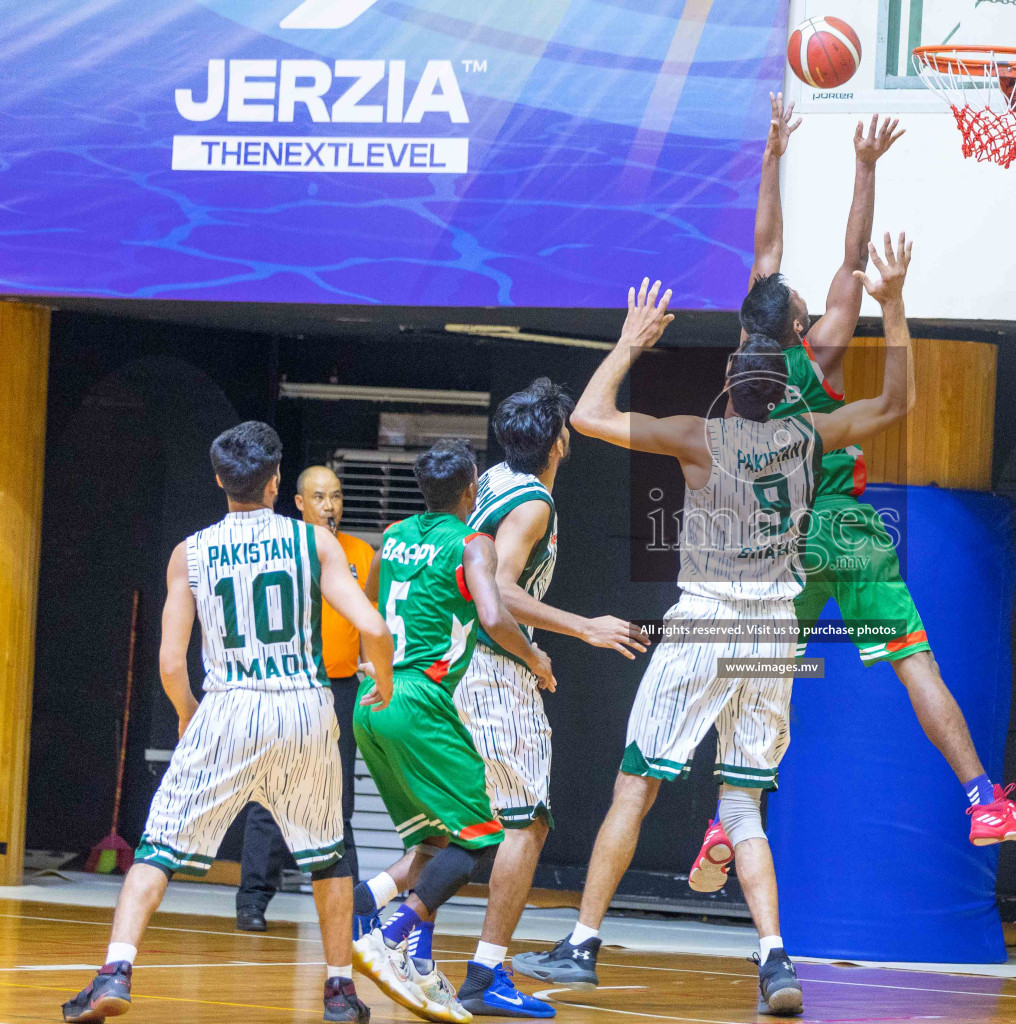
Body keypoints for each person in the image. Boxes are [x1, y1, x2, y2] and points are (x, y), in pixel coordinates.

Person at [513, 238, 915, 1017]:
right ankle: (774, 960)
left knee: (636, 784)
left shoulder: (700, 439)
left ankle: (583, 943)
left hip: (707, 623)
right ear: (784, 394)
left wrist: (629, 343)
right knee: (742, 806)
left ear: (729, 389)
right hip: (772, 635)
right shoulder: (807, 438)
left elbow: (591, 415)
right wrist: (892, 309)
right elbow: (895, 406)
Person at [687, 96, 1016, 891]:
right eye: (799, 303)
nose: (806, 298)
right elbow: (853, 258)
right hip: (843, 532)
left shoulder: (741, 366)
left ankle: (723, 819)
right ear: (797, 322)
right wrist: (864, 167)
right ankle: (982, 800)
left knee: (760, 687)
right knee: (915, 665)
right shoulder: (818, 355)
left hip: (773, 544)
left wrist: (771, 155)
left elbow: (764, 252)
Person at [62, 422, 393, 1024]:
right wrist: (386, 686)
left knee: (157, 848)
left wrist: (190, 714)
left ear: (219, 480)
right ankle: (340, 991)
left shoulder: (190, 552)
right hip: (303, 707)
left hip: (230, 705)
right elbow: (372, 629)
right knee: (329, 856)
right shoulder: (315, 545)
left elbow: (169, 662)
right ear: (274, 484)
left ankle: (115, 970)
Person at [450, 379, 650, 1017]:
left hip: (446, 668)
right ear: (561, 439)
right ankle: (483, 972)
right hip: (495, 669)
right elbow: (500, 594)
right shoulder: (533, 502)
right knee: (525, 822)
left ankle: (391, 925)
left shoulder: (485, 487)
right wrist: (582, 628)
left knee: (456, 826)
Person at [349, 440, 556, 1024]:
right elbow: (494, 616)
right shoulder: (472, 543)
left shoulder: (390, 536)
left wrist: (374, 660)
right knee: (483, 836)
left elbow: (369, 609)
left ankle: (413, 962)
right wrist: (536, 659)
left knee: (434, 841)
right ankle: (392, 932)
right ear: (471, 489)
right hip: (420, 699)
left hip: (373, 700)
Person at [237, 465, 374, 932]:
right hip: (284, 686)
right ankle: (252, 902)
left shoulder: (361, 553)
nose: (330, 506)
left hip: (339, 689)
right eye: (320, 497)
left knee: (338, 800)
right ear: (299, 502)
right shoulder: (280, 546)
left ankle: (353, 908)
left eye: (336, 496)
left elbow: (371, 616)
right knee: (268, 796)